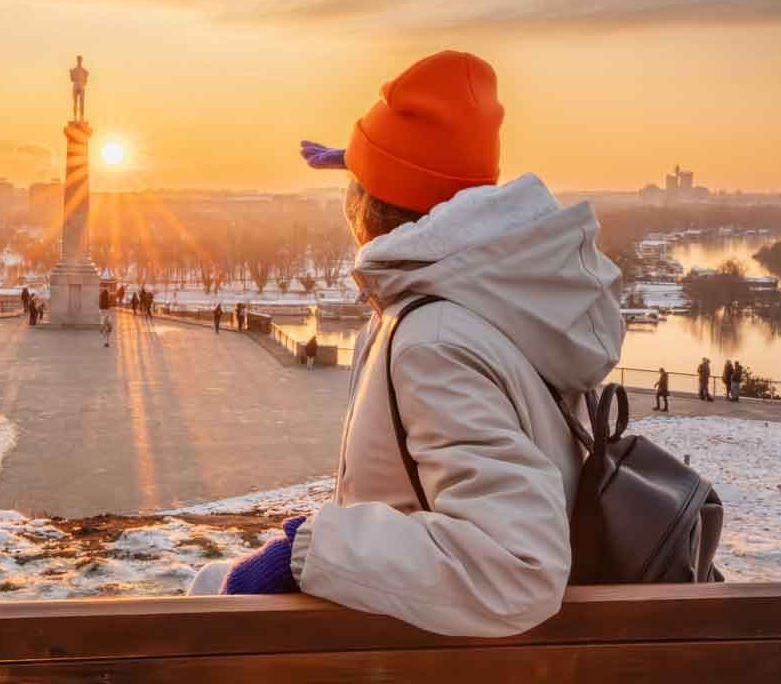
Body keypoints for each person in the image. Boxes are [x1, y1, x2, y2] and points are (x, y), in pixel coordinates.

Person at [188, 50, 624, 638]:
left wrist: (305, 552)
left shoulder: (435, 339)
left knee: (206, 592)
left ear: (370, 205)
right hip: (477, 646)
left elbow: (514, 565)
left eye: (354, 185)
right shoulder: (493, 302)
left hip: (429, 657)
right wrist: (380, 165)